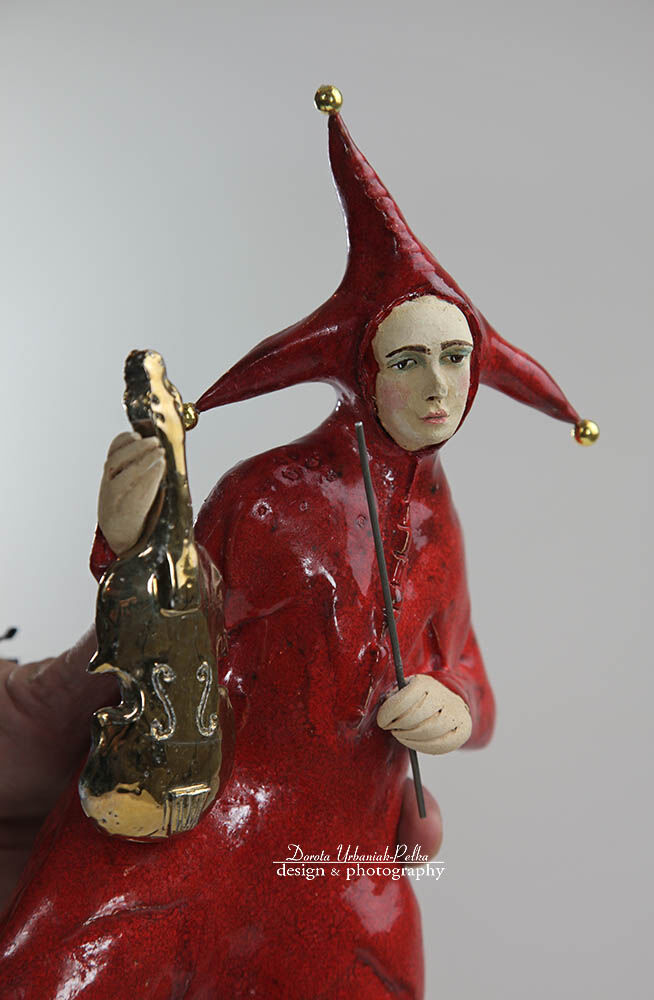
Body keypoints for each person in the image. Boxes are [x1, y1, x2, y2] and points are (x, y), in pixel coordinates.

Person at [0, 90, 593, 998]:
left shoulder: (438, 524)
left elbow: (469, 673)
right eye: (407, 361)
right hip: (192, 820)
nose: (438, 387)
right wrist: (133, 541)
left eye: (455, 358)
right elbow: (173, 621)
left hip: (339, 861)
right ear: (361, 366)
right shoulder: (266, 493)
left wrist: (454, 705)